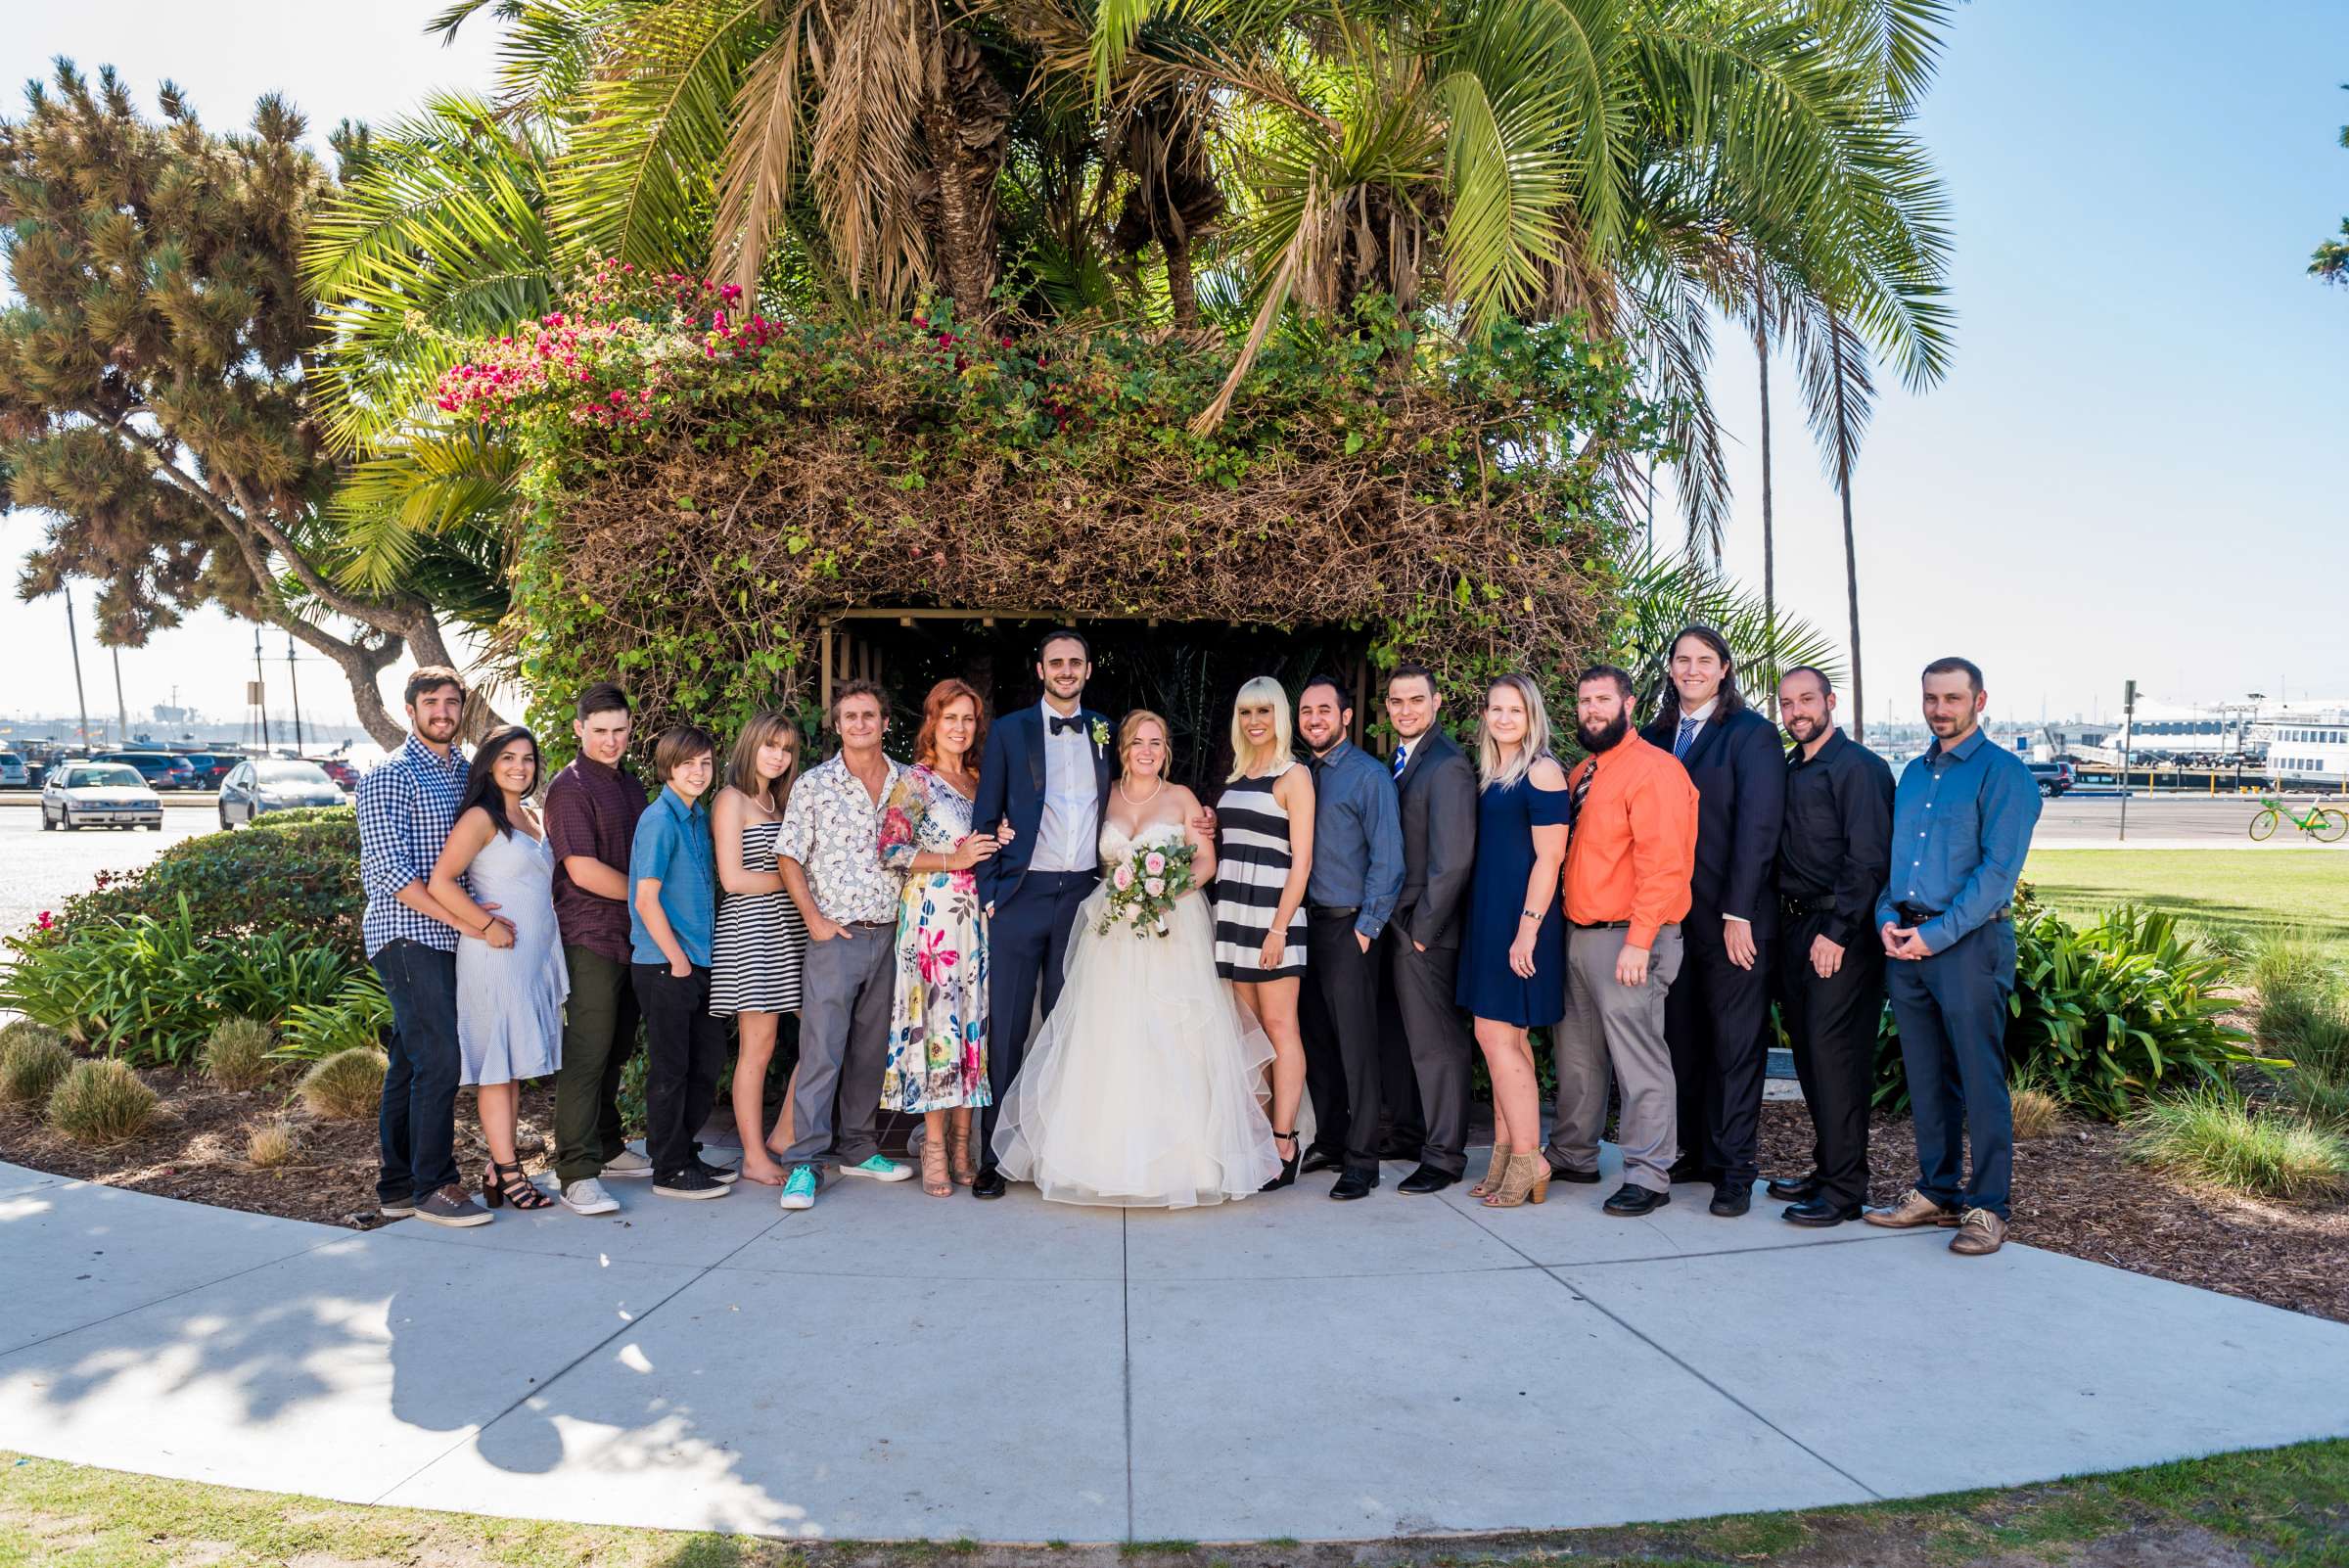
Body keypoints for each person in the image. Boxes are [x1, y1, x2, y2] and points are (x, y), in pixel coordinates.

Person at [992, 711, 1280, 1205]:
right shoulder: (1103, 797)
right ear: (1122, 749)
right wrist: (1003, 827)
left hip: (1174, 927)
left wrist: (1167, 890)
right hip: (1113, 932)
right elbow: (1055, 826)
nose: (1147, 751)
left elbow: (1207, 861)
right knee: (1109, 1036)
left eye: (1157, 742)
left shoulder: (1184, 799)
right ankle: (1100, 1158)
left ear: (1166, 750)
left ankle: (1188, 1162)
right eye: (1137, 743)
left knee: (1176, 1036)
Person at [1866, 657, 2042, 1257]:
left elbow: (1997, 876)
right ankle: (1936, 1192)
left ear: (1979, 701)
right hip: (1906, 946)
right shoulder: (1913, 774)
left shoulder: (2005, 775)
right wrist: (1887, 918)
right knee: (1927, 1077)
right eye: (1931, 698)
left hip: (1969, 947)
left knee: (1979, 1077)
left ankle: (1988, 1206)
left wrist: (1935, 935)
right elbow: (1896, 867)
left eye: (1952, 698)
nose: (1940, 709)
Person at [1641, 625, 1787, 1219]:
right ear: (1670, 668)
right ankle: (1694, 1152)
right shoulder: (1653, 737)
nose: (1691, 669)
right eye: (1682, 660)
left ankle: (1734, 1168)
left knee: (1734, 1044)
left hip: (1732, 919)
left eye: (1704, 660)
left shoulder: (1752, 736)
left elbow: (1758, 829)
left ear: (1725, 669)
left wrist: (1739, 912)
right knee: (1682, 1040)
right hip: (1671, 920)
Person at [1545, 666, 1699, 1217]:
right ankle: (1574, 1153)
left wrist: (1640, 941)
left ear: (1629, 705)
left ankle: (1649, 1174)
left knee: (1640, 1059)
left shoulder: (1654, 771)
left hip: (1631, 938)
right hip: (1580, 934)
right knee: (1578, 1055)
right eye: (1585, 700)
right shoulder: (1584, 770)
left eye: (1603, 699)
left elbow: (1665, 865)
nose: (1592, 709)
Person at [970, 630, 1110, 1201]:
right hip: (1020, 896)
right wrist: (989, 891)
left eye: (1075, 662)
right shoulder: (1009, 731)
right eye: (1057, 662)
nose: (1066, 670)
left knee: (1065, 1025)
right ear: (1040, 670)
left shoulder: (1103, 731)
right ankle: (993, 1156)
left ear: (1088, 669)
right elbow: (985, 816)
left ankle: (1054, 1149)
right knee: (1006, 1027)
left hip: (1081, 895)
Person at [356, 667, 493, 1228]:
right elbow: (390, 870)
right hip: (408, 932)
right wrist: (465, 923)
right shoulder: (389, 775)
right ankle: (434, 1185)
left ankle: (396, 1185)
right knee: (439, 1056)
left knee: (411, 1061)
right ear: (410, 710)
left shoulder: (466, 772)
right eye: (431, 702)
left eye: (452, 702)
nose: (443, 711)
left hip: (452, 934)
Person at [775, 681, 915, 1210]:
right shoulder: (815, 785)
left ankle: (858, 1147)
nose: (860, 724)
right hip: (838, 934)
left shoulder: (908, 783)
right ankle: (805, 1162)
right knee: (822, 1049)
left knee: (870, 1048)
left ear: (884, 723)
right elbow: (790, 855)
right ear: (837, 725)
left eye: (870, 715)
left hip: (893, 933)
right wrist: (813, 918)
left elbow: (925, 849)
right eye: (850, 716)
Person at [1768, 668, 1895, 1227]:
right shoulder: (1792, 767)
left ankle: (1845, 1191)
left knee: (1836, 1061)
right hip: (1795, 931)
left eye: (1806, 700)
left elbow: (1868, 859)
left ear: (1830, 702)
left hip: (1840, 937)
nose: (1796, 711)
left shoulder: (1860, 769)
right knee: (1811, 1060)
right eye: (1787, 702)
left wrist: (1838, 932)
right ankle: (1828, 1170)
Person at [428, 724, 566, 1212]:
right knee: (497, 1068)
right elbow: (442, 882)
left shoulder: (529, 815)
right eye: (508, 758)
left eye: (527, 759)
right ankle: (509, 1173)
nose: (519, 767)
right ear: (489, 763)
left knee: (513, 1069)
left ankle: (496, 1168)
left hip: (533, 958)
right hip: (496, 957)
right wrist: (485, 924)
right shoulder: (481, 818)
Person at [879, 679, 1001, 1197]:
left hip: (979, 918)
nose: (959, 727)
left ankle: (960, 1144)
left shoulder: (982, 778)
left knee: (973, 1026)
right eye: (950, 718)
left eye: (968, 719)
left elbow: (993, 839)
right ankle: (932, 1147)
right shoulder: (915, 782)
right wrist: (956, 858)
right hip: (933, 918)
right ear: (933, 723)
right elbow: (890, 851)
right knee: (937, 1026)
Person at [1454, 673, 1571, 1209]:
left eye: (1514, 711)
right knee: (1506, 1041)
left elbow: (1550, 859)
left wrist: (1527, 930)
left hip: (1522, 921)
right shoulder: (1493, 771)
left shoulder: (1542, 771)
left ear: (1532, 717)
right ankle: (1508, 1151)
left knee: (1496, 1037)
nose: (1503, 719)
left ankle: (1530, 1158)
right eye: (1495, 709)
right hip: (1491, 916)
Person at [544, 682, 653, 1216]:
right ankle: (576, 1171)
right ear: (579, 729)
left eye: (620, 731)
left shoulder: (630, 785)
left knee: (615, 1047)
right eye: (601, 731)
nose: (611, 740)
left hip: (633, 936)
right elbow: (581, 870)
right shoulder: (570, 787)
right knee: (587, 1053)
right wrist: (649, 898)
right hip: (590, 935)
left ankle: (607, 1146)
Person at [1293, 674, 1403, 1200]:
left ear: (1345, 717)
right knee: (1317, 1039)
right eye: (1306, 711)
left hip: (1348, 926)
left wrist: (1366, 930)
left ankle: (1363, 1160)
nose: (1314, 719)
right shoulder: (1300, 774)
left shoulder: (1367, 776)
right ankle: (1332, 1140)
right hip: (1303, 926)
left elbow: (1389, 859)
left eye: (1324, 710)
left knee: (1357, 1046)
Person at [1212, 675, 1314, 1190]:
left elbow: (1302, 863)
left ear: (1280, 716)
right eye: (1247, 712)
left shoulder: (1293, 775)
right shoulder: (1237, 775)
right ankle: (1256, 1138)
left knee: (1280, 1028)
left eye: (1264, 712)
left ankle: (1284, 1141)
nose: (1255, 721)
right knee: (1249, 1035)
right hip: (1233, 915)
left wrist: (1278, 929)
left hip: (1274, 918)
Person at [1380, 664, 1479, 1195]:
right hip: (1393, 923)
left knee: (1437, 1044)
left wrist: (1423, 930)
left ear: (1436, 703)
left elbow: (1454, 859)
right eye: (1397, 701)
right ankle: (1408, 1132)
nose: (1406, 710)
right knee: (1401, 1039)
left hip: (1425, 929)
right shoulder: (1397, 763)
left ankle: (1444, 1156)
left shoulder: (1447, 767)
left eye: (1416, 700)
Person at [628, 725, 737, 1201]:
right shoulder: (659, 819)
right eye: (688, 763)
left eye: (705, 763)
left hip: (699, 962)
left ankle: (682, 1152)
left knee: (703, 1065)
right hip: (665, 965)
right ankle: (668, 1169)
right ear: (668, 766)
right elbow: (645, 898)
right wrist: (676, 962)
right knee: (671, 1070)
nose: (698, 772)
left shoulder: (697, 817)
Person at [710, 711, 809, 1187]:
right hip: (752, 934)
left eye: (786, 748)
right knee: (758, 1048)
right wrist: (797, 884)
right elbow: (732, 878)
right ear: (750, 744)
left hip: (790, 931)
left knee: (824, 1034)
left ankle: (785, 1134)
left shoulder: (779, 801)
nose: (778, 755)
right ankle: (753, 1154)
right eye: (771, 745)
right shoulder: (732, 799)